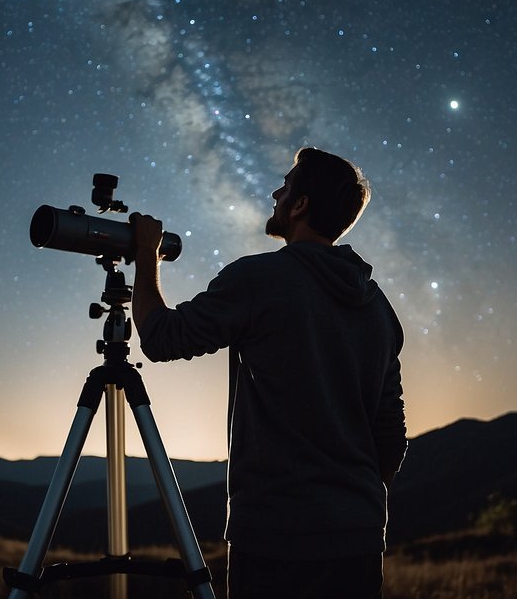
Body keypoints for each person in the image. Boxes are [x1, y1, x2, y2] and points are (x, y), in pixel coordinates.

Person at [129, 147, 407, 599]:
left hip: (276, 540)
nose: (274, 192)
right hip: (358, 542)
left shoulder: (260, 279)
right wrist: (356, 508)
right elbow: (391, 436)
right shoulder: (379, 309)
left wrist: (146, 255)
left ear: (300, 206)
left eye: (286, 184)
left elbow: (161, 338)